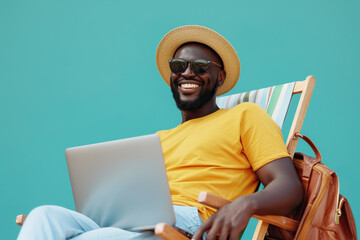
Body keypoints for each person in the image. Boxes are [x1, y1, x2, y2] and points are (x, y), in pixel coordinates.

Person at [17, 25, 303, 240]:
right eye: (179, 66)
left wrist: (246, 204)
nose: (187, 72)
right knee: (44, 217)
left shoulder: (246, 116)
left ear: (220, 76)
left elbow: (289, 187)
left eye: (200, 66)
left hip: (187, 225)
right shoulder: (158, 140)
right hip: (131, 219)